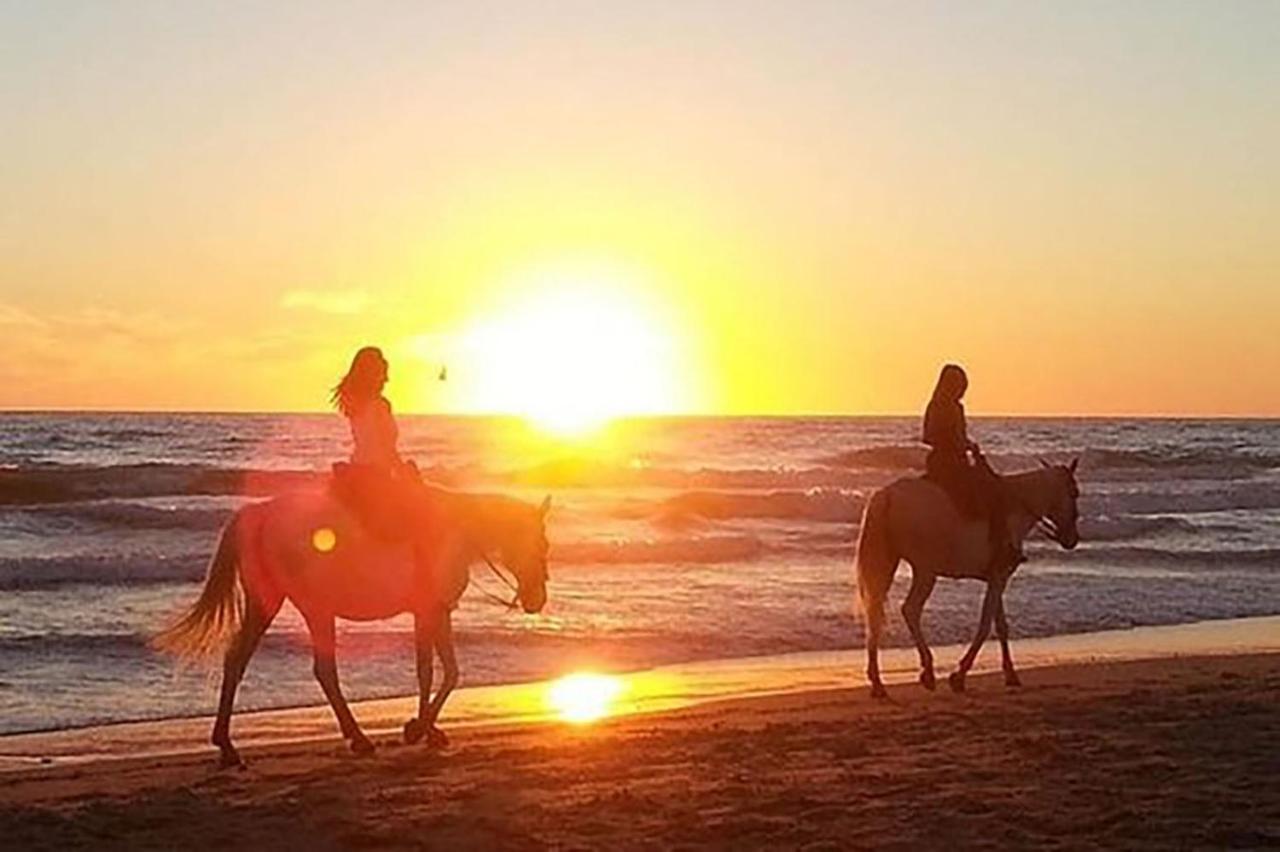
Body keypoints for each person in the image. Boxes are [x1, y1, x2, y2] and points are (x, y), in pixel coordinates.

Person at [330, 347, 439, 563]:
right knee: (424, 514)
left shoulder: (353, 402)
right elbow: (386, 448)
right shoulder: (380, 405)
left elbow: (369, 443)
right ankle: (418, 573)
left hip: (356, 471)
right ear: (373, 373)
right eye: (383, 373)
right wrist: (404, 469)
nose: (387, 379)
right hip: (375, 475)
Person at [922, 364, 1021, 572]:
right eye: (959, 385)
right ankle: (999, 549)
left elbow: (932, 436)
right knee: (994, 493)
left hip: (945, 460)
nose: (962, 391)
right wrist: (959, 443)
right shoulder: (945, 407)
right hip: (950, 463)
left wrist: (966, 444)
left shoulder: (943, 406)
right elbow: (934, 437)